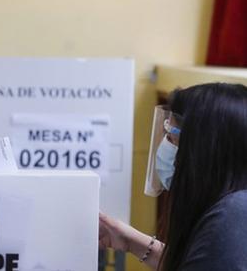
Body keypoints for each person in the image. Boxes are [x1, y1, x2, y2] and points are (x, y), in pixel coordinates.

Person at [99, 83, 247, 270]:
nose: (165, 147)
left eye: (171, 137)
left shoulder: (230, 219)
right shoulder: (235, 209)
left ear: (203, 150)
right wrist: (130, 241)